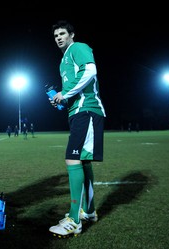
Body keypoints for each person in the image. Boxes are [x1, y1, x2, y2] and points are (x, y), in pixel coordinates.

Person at [48, 20, 106, 238]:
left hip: (87, 109)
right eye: (55, 36)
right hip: (77, 111)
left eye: (62, 33)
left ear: (71, 34)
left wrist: (66, 92)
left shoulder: (78, 47)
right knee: (83, 160)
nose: (59, 38)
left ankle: (74, 220)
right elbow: (71, 90)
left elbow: (90, 70)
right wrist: (61, 100)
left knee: (72, 159)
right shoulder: (63, 61)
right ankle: (88, 212)